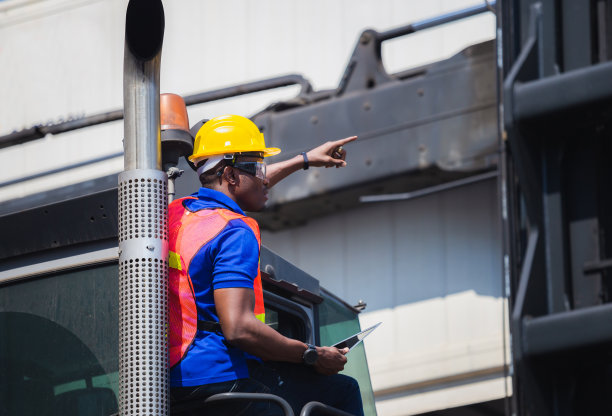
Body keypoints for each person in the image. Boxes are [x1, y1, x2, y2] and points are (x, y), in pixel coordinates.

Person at [168, 114, 363, 416]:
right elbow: (239, 329)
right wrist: (312, 355)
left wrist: (305, 159)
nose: (265, 178)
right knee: (342, 392)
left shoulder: (176, 213)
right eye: (259, 167)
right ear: (231, 175)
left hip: (173, 379)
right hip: (218, 377)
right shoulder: (234, 230)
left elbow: (245, 179)